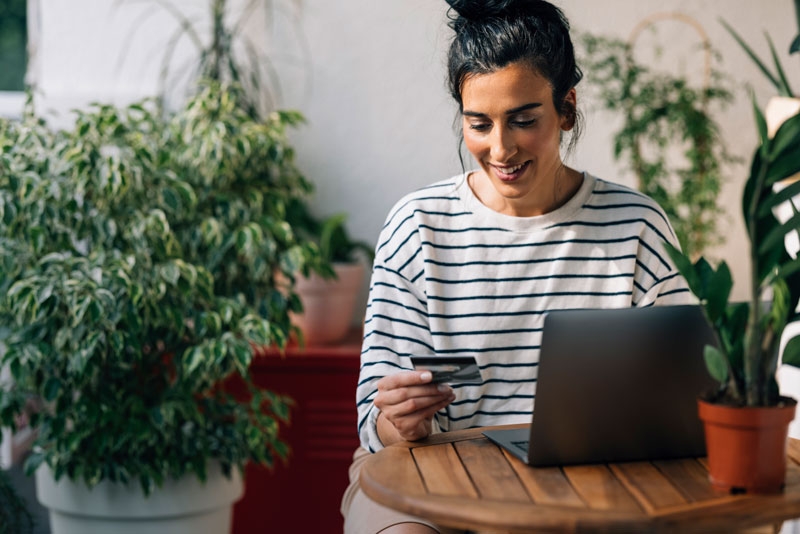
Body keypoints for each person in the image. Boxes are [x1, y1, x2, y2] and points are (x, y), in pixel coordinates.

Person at [341, 1, 691, 532]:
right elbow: (375, 424)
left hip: (591, 481)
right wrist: (397, 422)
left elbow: (689, 394)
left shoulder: (635, 225)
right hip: (431, 474)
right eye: (478, 124)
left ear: (567, 108)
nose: (500, 148)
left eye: (524, 120)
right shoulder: (418, 225)